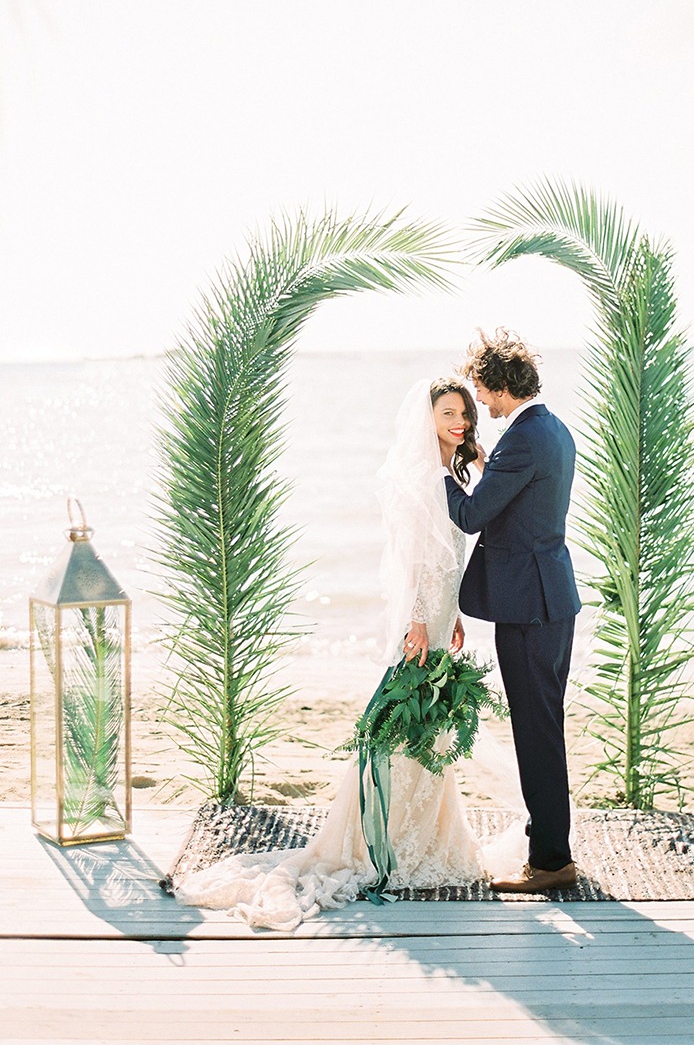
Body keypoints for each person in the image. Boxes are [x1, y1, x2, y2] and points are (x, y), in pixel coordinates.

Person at [173, 377, 496, 930]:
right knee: (404, 726)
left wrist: (453, 614)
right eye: (448, 413)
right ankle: (388, 841)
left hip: (442, 615)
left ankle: (424, 834)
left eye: (464, 412)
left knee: (430, 726)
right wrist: (418, 619)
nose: (460, 422)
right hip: (423, 619)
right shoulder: (422, 477)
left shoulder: (449, 474)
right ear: (428, 419)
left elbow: (445, 556)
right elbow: (413, 554)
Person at [443, 329, 581, 894]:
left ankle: (551, 862)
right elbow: (515, 501)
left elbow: (473, 515)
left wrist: (441, 471)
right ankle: (551, 848)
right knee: (543, 727)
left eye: (483, 393)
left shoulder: (522, 438)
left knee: (536, 731)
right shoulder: (550, 429)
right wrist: (482, 464)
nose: (483, 405)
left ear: (502, 385)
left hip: (529, 608)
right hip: (550, 600)